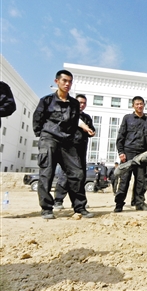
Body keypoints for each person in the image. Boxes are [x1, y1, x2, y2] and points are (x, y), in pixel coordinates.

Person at [32, 70, 93, 219]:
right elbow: (37, 120)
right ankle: (47, 208)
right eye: (64, 81)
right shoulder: (46, 101)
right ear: (57, 81)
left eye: (70, 81)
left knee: (77, 173)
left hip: (67, 142)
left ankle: (79, 207)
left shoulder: (73, 103)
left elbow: (73, 123)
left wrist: (69, 137)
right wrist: (44, 136)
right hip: (49, 139)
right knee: (47, 173)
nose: (67, 84)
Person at [53, 94, 96, 209]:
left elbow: (92, 130)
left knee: (81, 176)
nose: (82, 105)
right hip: (68, 150)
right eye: (80, 102)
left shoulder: (87, 117)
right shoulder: (68, 114)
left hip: (81, 149)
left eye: (84, 103)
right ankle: (58, 200)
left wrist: (91, 131)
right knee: (66, 175)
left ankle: (78, 203)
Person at [114, 96, 147, 212]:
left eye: (141, 104)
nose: (139, 106)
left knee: (141, 181)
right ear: (133, 106)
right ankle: (119, 204)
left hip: (142, 154)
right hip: (128, 153)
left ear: (144, 105)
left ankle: (139, 203)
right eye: (137, 104)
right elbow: (121, 136)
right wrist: (121, 152)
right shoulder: (127, 118)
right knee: (124, 180)